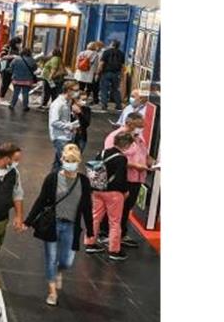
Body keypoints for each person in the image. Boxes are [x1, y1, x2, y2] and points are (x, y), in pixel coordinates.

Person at [25, 144, 94, 305]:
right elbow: (41, 201)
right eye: (67, 160)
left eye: (73, 161)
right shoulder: (52, 178)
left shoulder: (83, 182)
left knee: (67, 261)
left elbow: (87, 207)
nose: (70, 163)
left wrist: (90, 229)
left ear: (78, 162)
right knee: (50, 258)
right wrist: (28, 221)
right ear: (62, 160)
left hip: (71, 225)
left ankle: (59, 272)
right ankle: (52, 292)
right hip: (52, 224)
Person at [101, 113, 152, 250]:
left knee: (126, 208)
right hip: (123, 179)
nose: (141, 129)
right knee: (115, 209)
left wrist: (149, 161)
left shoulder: (138, 137)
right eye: (139, 126)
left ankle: (121, 234)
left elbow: (144, 153)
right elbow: (111, 158)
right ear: (129, 124)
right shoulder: (114, 137)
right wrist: (135, 166)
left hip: (137, 179)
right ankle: (105, 233)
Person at [83, 132, 135, 262]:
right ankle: (114, 250)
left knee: (95, 217)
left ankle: (90, 243)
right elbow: (121, 178)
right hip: (114, 194)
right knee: (115, 222)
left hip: (97, 190)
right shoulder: (121, 158)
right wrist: (125, 191)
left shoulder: (101, 153)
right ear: (127, 145)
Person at [48, 80, 81, 172]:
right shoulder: (58, 104)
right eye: (76, 90)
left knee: (58, 163)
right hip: (60, 137)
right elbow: (54, 122)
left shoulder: (68, 102)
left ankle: (52, 181)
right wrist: (70, 126)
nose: (77, 92)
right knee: (66, 163)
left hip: (66, 136)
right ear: (68, 90)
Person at [97, 39, 125, 111]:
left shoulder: (106, 52)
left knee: (104, 89)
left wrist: (97, 73)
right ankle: (118, 105)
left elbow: (101, 63)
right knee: (116, 89)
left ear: (112, 44)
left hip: (106, 73)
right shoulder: (121, 53)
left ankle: (104, 105)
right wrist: (122, 75)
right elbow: (122, 66)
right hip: (116, 74)